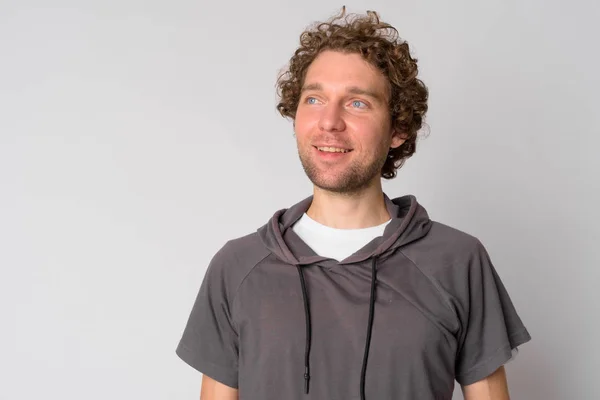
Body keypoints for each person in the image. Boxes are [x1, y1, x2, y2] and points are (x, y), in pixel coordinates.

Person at [175, 7, 531, 400]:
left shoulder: (458, 261)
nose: (329, 121)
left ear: (398, 128)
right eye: (314, 99)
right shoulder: (236, 267)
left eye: (357, 103)